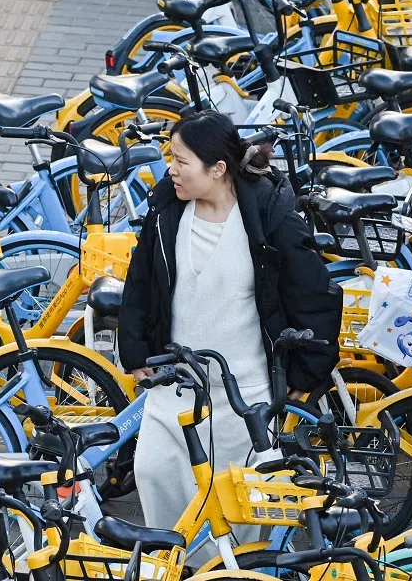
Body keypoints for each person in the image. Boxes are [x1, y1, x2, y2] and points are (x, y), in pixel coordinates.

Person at [119, 110, 342, 548]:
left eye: (181, 160)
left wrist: (303, 376)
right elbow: (140, 282)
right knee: (154, 477)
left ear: (217, 169)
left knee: (236, 525)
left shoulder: (268, 215)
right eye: (171, 157)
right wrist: (136, 351)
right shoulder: (167, 209)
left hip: (243, 402)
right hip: (175, 390)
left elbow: (315, 295)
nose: (171, 169)